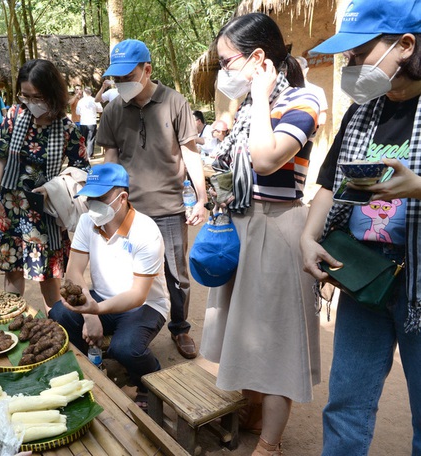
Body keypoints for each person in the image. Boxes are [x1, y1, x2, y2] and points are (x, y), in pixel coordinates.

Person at [299, 0, 421, 453]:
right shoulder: (361, 112)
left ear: (405, 45)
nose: (349, 64)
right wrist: (308, 237)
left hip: (419, 293)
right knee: (346, 405)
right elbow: (330, 183)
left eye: (359, 52)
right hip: (363, 279)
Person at [201, 13, 321, 456]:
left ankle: (270, 443)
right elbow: (228, 167)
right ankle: (252, 411)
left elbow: (268, 160)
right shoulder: (251, 107)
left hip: (276, 228)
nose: (223, 72)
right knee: (243, 328)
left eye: (226, 62)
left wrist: (258, 97)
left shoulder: (304, 100)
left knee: (276, 339)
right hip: (242, 226)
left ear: (257, 58)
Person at [95, 39, 207, 359]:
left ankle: (180, 327)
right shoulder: (114, 109)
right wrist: (108, 203)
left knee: (176, 274)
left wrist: (200, 199)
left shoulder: (174, 102)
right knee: (125, 271)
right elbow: (110, 160)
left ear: (147, 70)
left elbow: (189, 151)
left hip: (169, 207)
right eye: (116, 79)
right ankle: (128, 325)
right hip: (129, 208)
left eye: (127, 76)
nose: (121, 84)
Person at [49, 163, 167, 410]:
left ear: (122, 197)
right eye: (89, 198)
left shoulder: (146, 231)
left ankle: (148, 378)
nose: (92, 205)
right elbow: (74, 271)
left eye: (100, 198)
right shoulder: (87, 222)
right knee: (58, 314)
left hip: (145, 305)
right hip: (101, 298)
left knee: (126, 348)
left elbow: (137, 295)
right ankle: (93, 363)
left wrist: (95, 311)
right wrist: (91, 314)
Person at [0, 59, 89, 312]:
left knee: (49, 280)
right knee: (13, 272)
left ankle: (59, 329)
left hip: (46, 213)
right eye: (26, 95)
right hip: (11, 209)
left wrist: (56, 186)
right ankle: (11, 326)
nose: (31, 102)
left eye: (37, 96)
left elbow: (83, 172)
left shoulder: (67, 129)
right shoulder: (14, 116)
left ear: (53, 94)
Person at [296, 56, 328, 128]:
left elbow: (322, 117)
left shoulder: (317, 91)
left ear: (306, 70)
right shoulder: (285, 91)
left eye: (298, 69)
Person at [76, 87, 103, 157]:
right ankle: (89, 154)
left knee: (83, 139)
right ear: (90, 93)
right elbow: (100, 109)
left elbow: (77, 112)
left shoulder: (80, 101)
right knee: (91, 139)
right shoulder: (94, 100)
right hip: (92, 121)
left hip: (83, 122)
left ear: (84, 93)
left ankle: (83, 154)